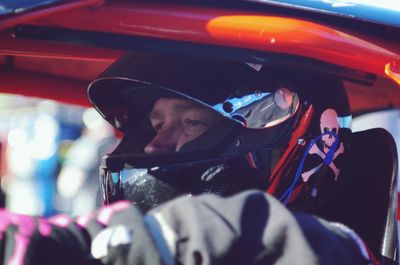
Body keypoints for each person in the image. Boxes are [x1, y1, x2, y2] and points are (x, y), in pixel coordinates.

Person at [0, 51, 377, 265]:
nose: (151, 145)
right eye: (155, 123)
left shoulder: (328, 251)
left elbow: (246, 233)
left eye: (192, 121)